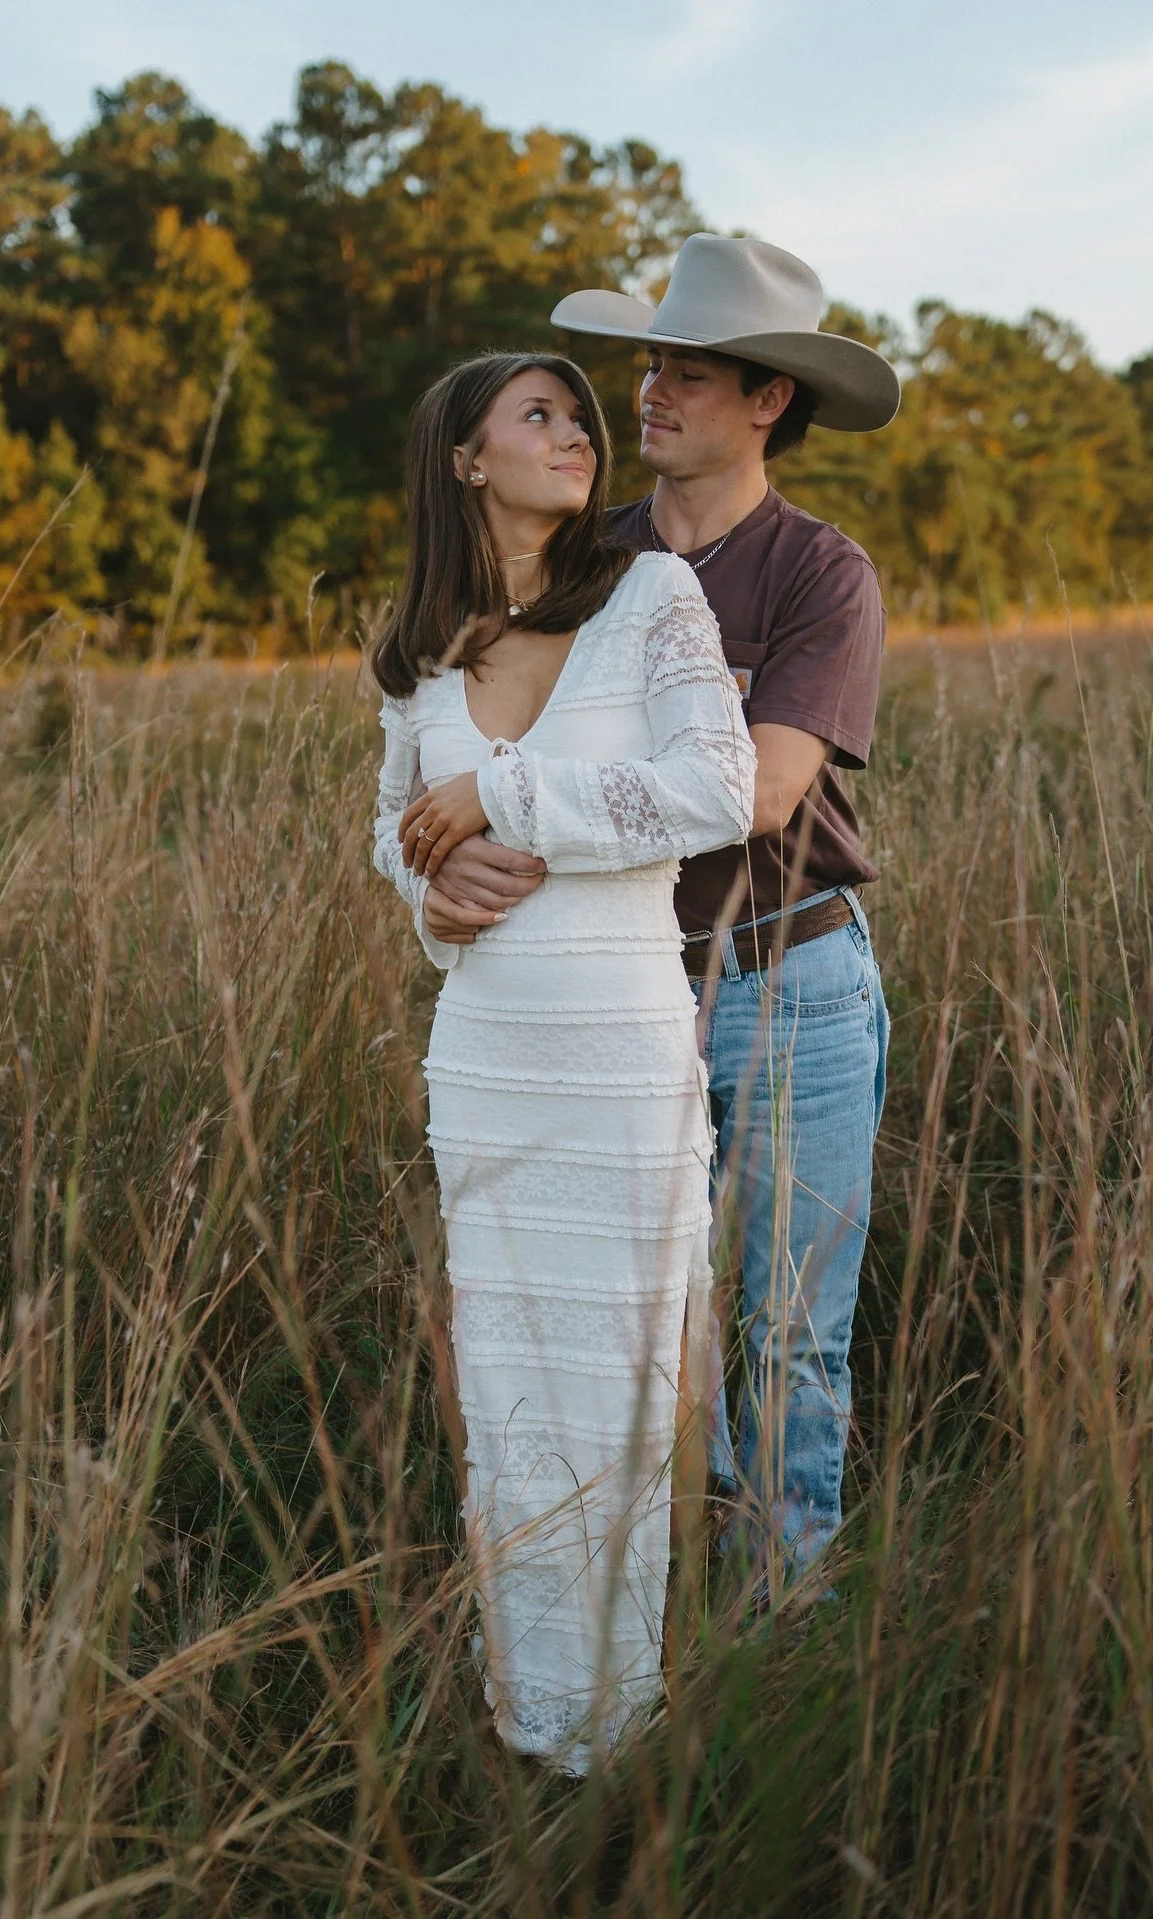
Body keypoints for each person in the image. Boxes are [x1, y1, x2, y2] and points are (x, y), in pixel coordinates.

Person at [405, 236, 899, 1596]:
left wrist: (513, 794)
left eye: (691, 372)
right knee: (657, 1318)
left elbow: (760, 791)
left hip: (788, 980)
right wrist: (440, 865)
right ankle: (678, 1594)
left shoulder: (819, 571)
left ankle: (781, 1610)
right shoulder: (587, 560)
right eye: (649, 364)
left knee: (789, 1324)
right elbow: (455, 744)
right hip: (612, 990)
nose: (649, 392)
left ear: (769, 401)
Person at [372, 350, 754, 1772]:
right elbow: (392, 830)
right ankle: (530, 1716)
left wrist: (507, 791)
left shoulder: (652, 598)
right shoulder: (420, 645)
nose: (578, 431)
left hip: (620, 1056)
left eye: (581, 414)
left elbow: (717, 789)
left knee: (629, 1380)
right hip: (489, 1062)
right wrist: (429, 894)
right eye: (538, 414)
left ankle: (622, 1728)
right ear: (467, 458)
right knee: (512, 1389)